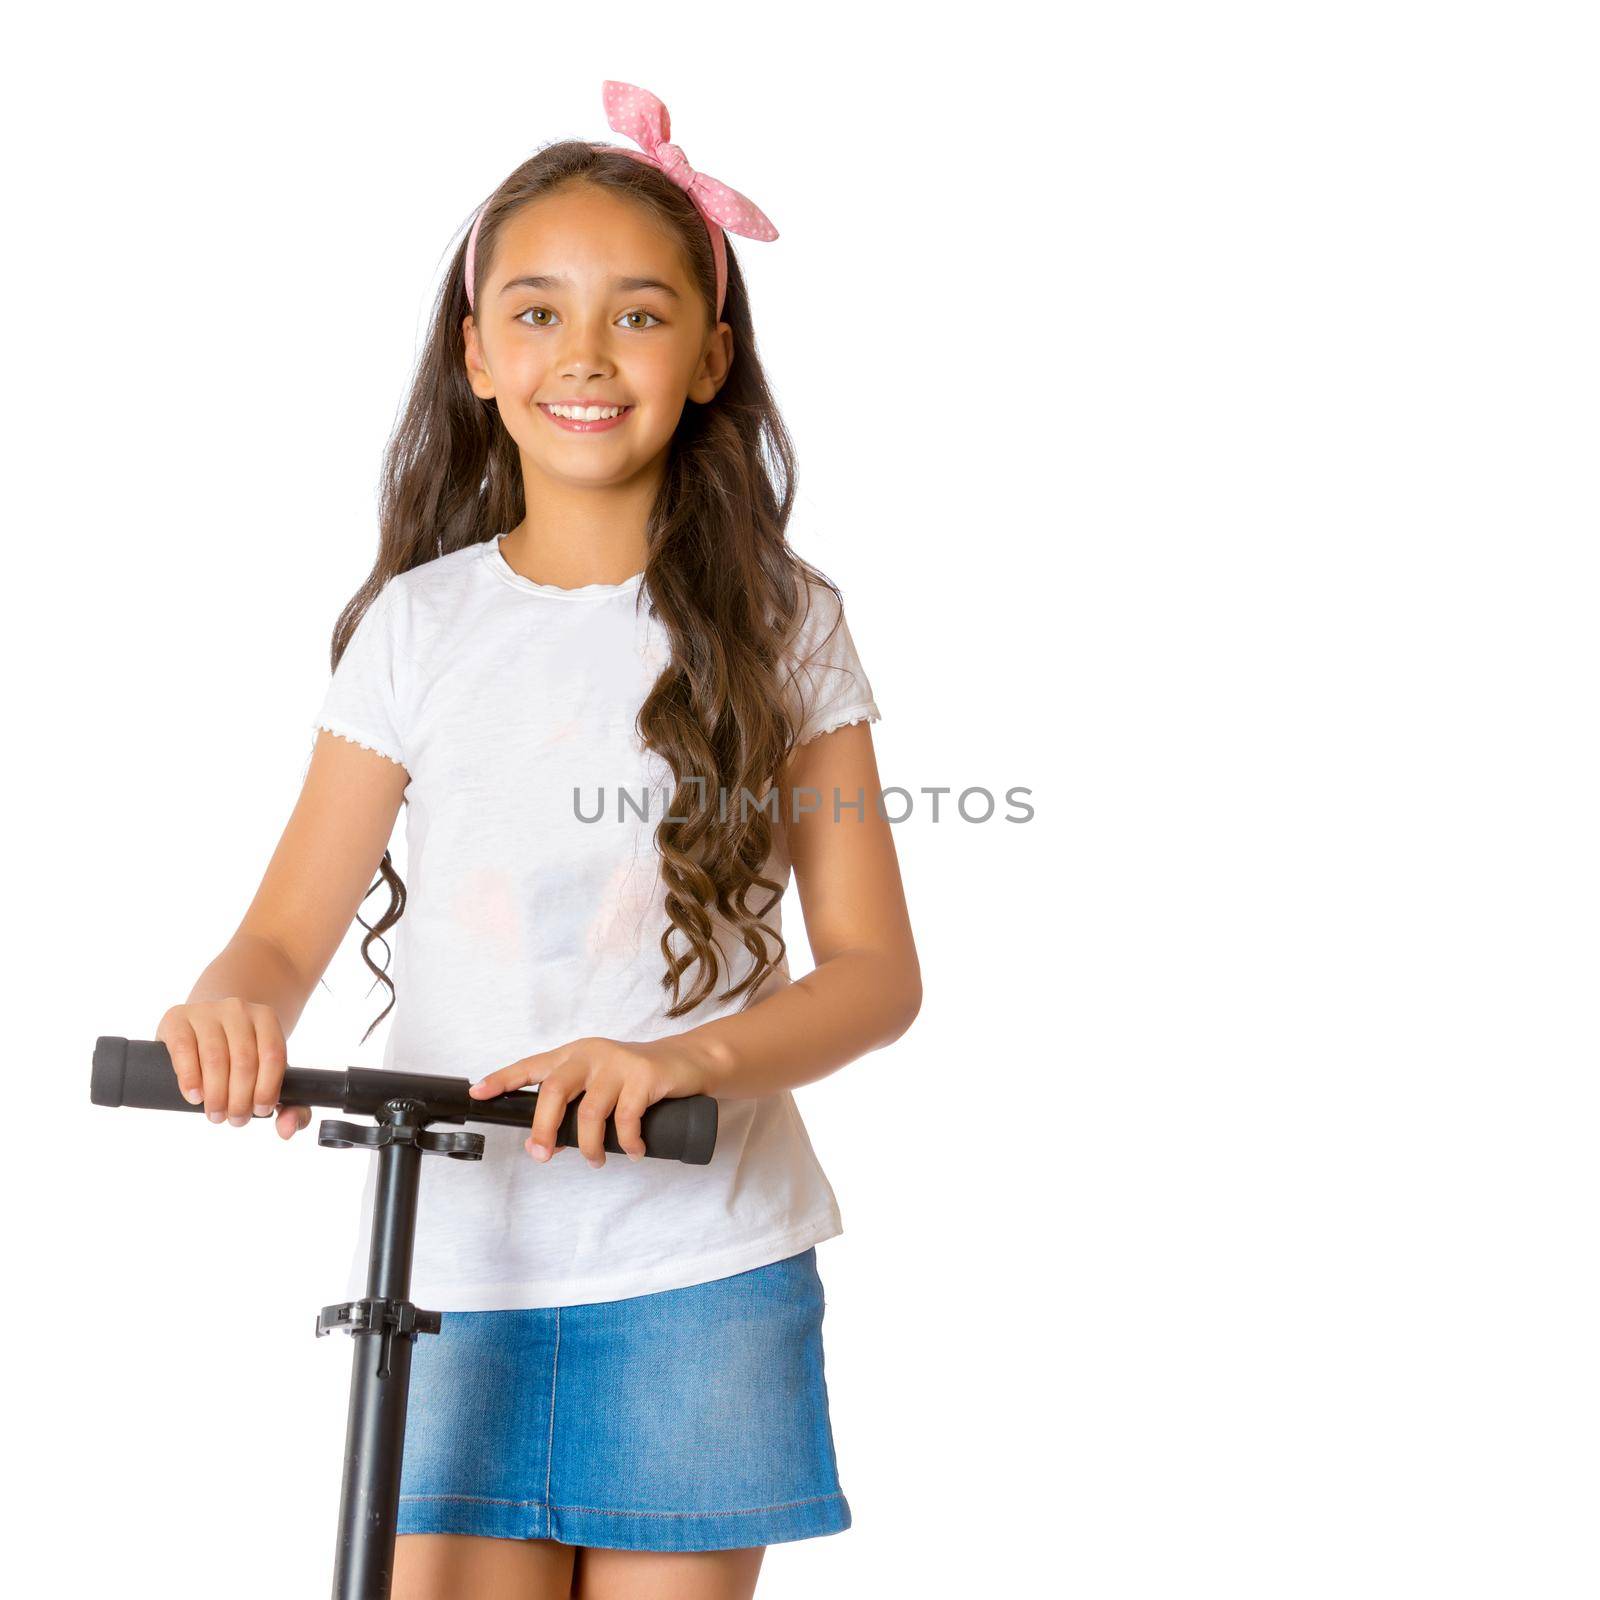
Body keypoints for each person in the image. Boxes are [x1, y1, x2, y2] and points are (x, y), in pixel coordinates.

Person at [154, 80, 921, 1600]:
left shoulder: (784, 623)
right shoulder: (417, 628)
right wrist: (239, 1000)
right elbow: (289, 930)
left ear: (712, 356)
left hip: (699, 1276)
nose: (585, 352)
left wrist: (687, 1062)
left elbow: (876, 974)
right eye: (539, 310)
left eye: (639, 314)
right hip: (454, 1274)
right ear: (477, 356)